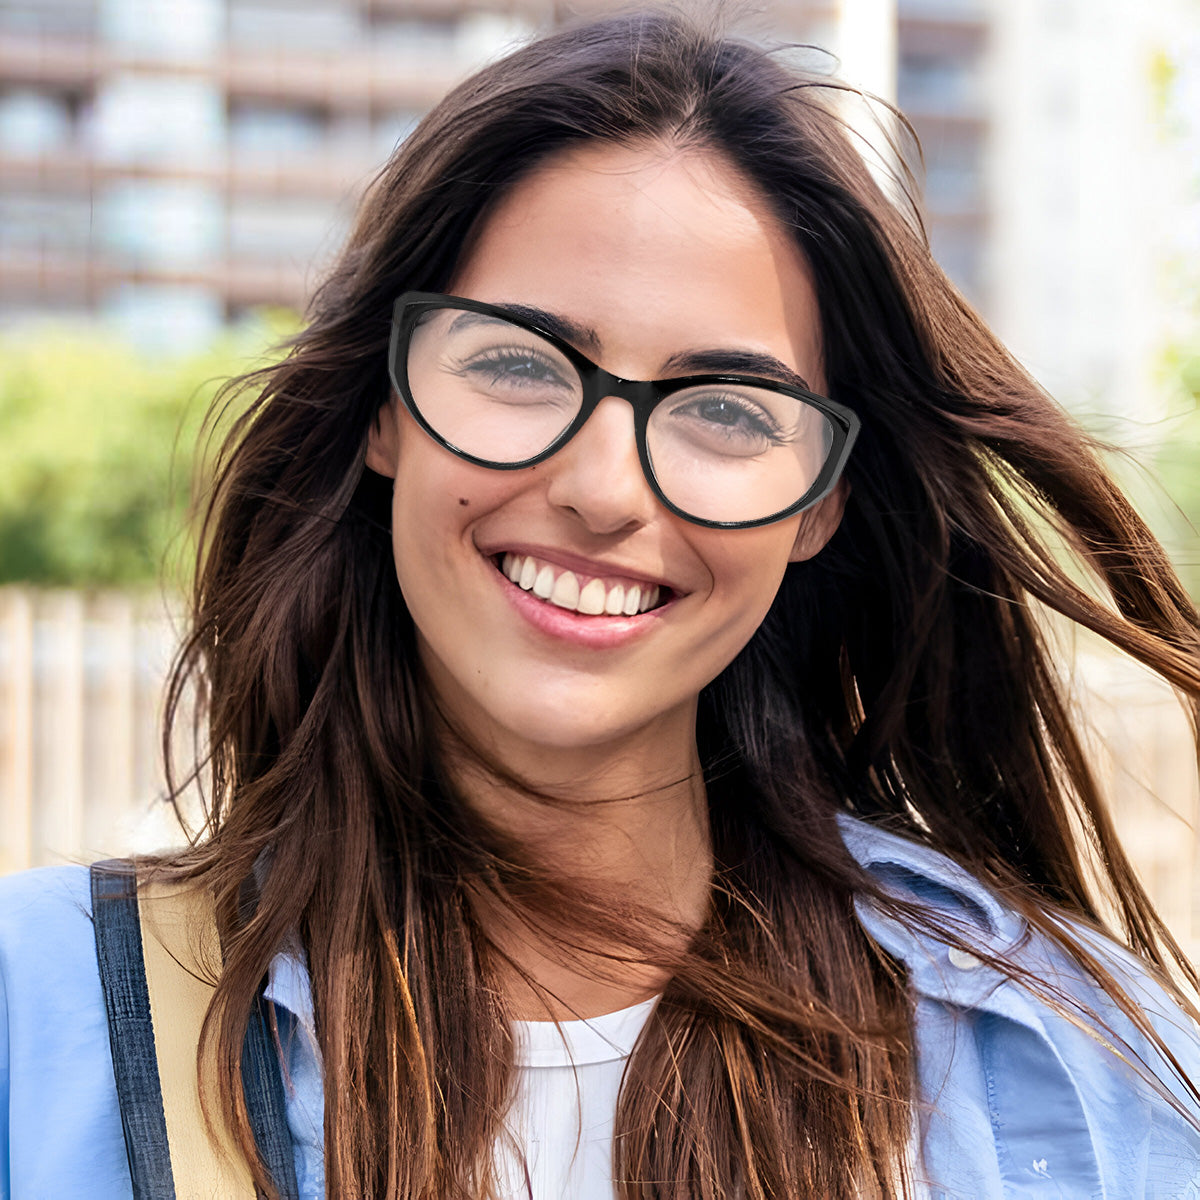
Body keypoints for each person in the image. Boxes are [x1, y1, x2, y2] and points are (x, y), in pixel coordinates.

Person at [2, 7, 1199, 1199]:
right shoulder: (41, 1015)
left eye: (728, 408)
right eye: (520, 364)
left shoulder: (1067, 1061)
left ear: (820, 505)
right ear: (383, 408)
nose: (602, 491)